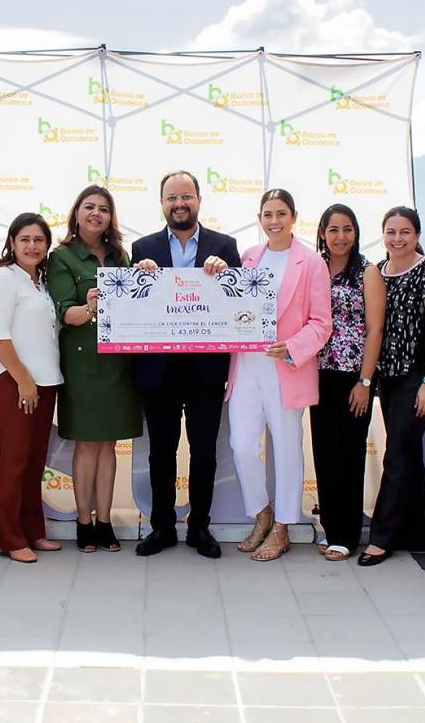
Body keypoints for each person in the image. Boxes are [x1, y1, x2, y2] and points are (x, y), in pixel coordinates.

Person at [130, 170, 241, 559]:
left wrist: (228, 276)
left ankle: (200, 527)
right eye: (171, 197)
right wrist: (137, 280)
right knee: (160, 451)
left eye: (186, 196)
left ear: (199, 200)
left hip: (205, 370)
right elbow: (133, 308)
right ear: (161, 203)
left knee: (204, 451)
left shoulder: (225, 246)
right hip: (157, 371)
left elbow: (237, 305)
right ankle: (162, 526)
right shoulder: (141, 247)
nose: (179, 204)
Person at [228, 189, 332, 562]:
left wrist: (291, 346)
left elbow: (322, 323)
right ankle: (262, 514)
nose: (275, 220)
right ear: (260, 218)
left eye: (281, 213)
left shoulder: (311, 263)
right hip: (246, 367)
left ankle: (284, 526)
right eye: (268, 214)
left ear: (293, 216)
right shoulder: (248, 258)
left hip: (287, 369)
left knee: (287, 450)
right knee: (241, 445)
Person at [47, 185, 141, 553]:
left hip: (118, 364)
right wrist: (89, 308)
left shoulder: (122, 256)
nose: (96, 214)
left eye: (104, 208)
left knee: (109, 445)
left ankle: (105, 522)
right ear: (77, 212)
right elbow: (64, 312)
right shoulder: (62, 257)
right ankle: (82, 522)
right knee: (87, 445)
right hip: (83, 362)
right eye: (89, 207)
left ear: (110, 217)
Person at [360, 206, 425, 567]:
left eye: (405, 232)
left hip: (416, 375)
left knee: (396, 453)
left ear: (417, 235)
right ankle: (412, 531)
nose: (398, 238)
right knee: (408, 453)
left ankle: (381, 538)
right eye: (391, 231)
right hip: (387, 377)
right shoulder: (378, 272)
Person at [0, 213, 64, 564]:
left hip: (45, 382)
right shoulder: (3, 278)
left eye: (39, 240)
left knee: (34, 462)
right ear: (12, 243)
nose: (32, 246)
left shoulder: (40, 283)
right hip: (12, 380)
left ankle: (33, 531)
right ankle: (11, 537)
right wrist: (24, 380)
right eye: (25, 239)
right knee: (15, 459)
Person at [310, 204, 384, 562]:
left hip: (354, 377)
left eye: (348, 229)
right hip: (317, 375)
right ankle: (330, 528)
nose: (341, 236)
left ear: (356, 233)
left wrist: (365, 381)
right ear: (323, 232)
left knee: (349, 454)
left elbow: (375, 330)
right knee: (324, 453)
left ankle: (347, 534)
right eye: (333, 229)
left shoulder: (367, 273)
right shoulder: (314, 268)